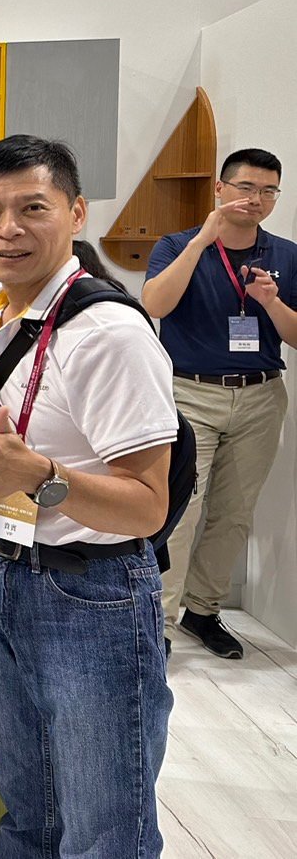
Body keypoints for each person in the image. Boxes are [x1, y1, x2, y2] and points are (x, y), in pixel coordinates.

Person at [0, 134, 176, 858]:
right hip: (6, 574)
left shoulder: (108, 332)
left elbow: (147, 505)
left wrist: (40, 477)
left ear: (76, 213)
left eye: (32, 208)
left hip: (91, 594)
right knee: (29, 813)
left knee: (103, 829)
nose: (7, 229)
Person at [142, 147, 297, 658]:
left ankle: (203, 612)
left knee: (234, 513)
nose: (256, 199)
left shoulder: (286, 254)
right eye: (246, 187)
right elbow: (155, 304)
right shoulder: (177, 244)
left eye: (269, 191)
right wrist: (202, 242)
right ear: (220, 189)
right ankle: (159, 622)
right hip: (189, 392)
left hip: (261, 396)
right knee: (180, 510)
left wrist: (271, 302)